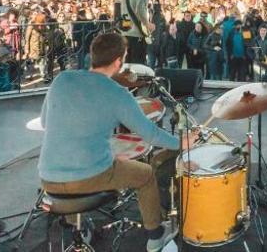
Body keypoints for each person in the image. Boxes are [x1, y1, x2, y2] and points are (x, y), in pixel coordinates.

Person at [38, 33, 186, 252]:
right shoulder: (118, 94)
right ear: (118, 62)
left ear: (92, 55)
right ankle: (156, 236)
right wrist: (182, 142)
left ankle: (76, 228)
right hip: (87, 176)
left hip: (48, 177)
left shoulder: (62, 79)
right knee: (145, 174)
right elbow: (152, 135)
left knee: (91, 159)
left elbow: (44, 122)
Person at [121, 0, 152, 65]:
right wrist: (148, 25)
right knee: (138, 64)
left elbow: (123, 15)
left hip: (126, 34)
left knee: (127, 63)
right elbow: (141, 12)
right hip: (137, 35)